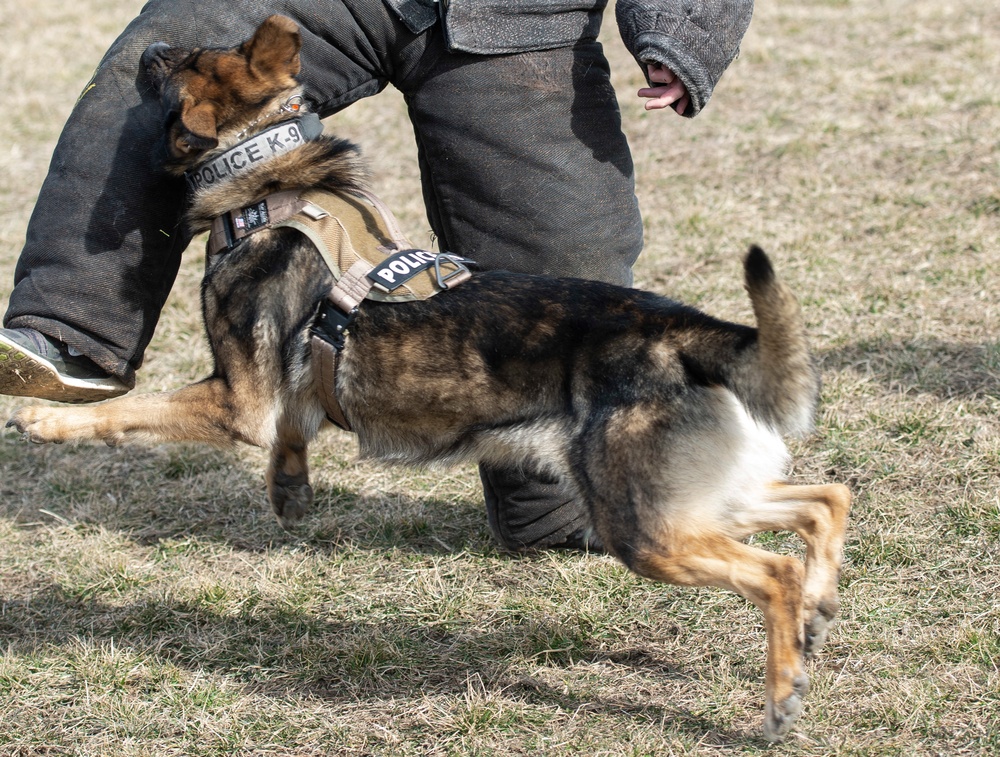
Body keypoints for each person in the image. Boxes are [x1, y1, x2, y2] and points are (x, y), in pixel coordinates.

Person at [0, 0, 753, 551]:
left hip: (520, 19)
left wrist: (684, 28)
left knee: (568, 271)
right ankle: (68, 334)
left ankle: (552, 507)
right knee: (161, 73)